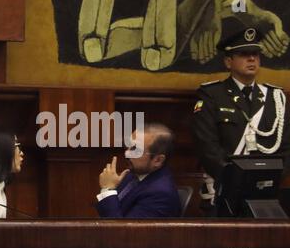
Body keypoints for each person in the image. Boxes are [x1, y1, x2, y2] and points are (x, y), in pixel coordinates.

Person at [192, 26, 290, 214]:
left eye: (255, 54)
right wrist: (236, 179)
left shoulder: (275, 98)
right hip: (223, 192)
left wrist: (269, 178)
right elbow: (206, 146)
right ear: (229, 62)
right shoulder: (212, 95)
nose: (252, 59)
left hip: (265, 193)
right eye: (244, 54)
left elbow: (286, 146)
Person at [96, 123, 181, 218]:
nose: (126, 154)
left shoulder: (160, 195)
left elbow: (121, 231)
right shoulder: (133, 175)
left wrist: (107, 190)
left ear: (158, 160)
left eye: (135, 149)